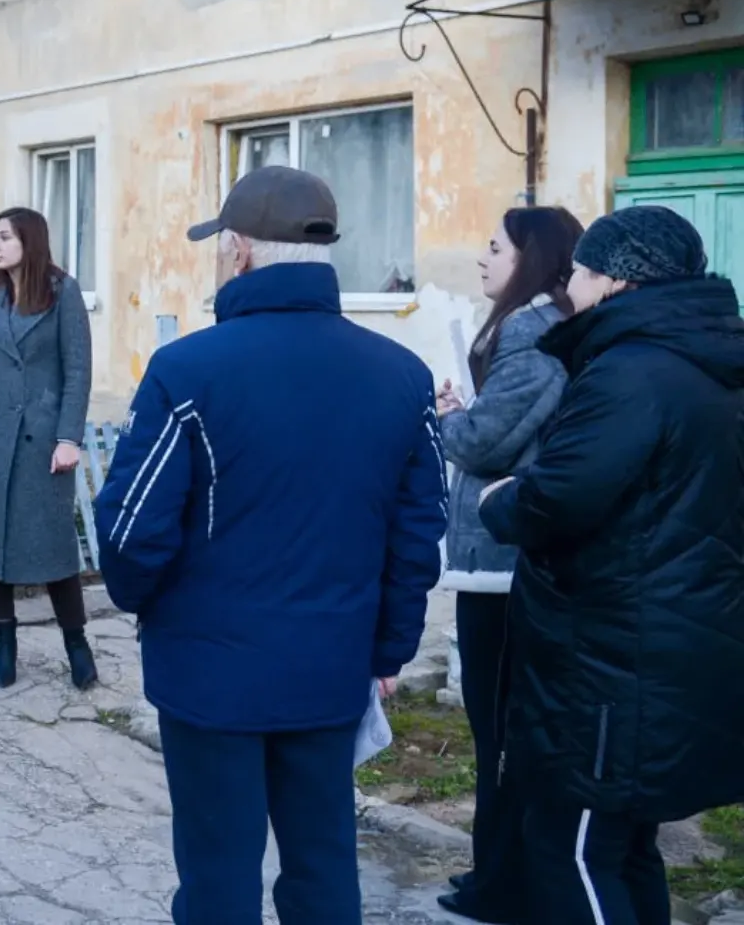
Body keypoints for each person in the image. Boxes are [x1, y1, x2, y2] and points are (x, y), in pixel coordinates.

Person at [90, 166, 446, 925]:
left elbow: (130, 530)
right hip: (331, 668)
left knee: (219, 875)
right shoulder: (403, 375)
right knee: (323, 866)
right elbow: (418, 534)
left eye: (221, 246)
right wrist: (388, 649)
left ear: (241, 250)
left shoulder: (187, 370)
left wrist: (149, 607)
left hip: (210, 676)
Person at [479, 206, 744, 925]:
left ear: (618, 279)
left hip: (612, 658)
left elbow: (559, 496)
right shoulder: (704, 361)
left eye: (581, 272)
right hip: (667, 645)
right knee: (623, 848)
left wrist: (502, 500)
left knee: (570, 850)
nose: (571, 287)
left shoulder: (631, 372)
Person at [431, 206, 582, 924]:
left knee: (499, 730)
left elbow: (486, 441)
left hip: (504, 562)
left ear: (532, 258)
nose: (483, 259)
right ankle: (497, 872)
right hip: (513, 556)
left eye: (495, 248)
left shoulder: (530, 330)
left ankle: (501, 884)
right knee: (505, 728)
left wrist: (449, 418)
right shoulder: (546, 326)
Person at [0, 207, 97, 690]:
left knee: (53, 545)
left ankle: (77, 644)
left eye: (5, 237)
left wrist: (69, 437)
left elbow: (78, 370)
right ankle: (4, 644)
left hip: (41, 440)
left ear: (28, 240)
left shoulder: (62, 292)